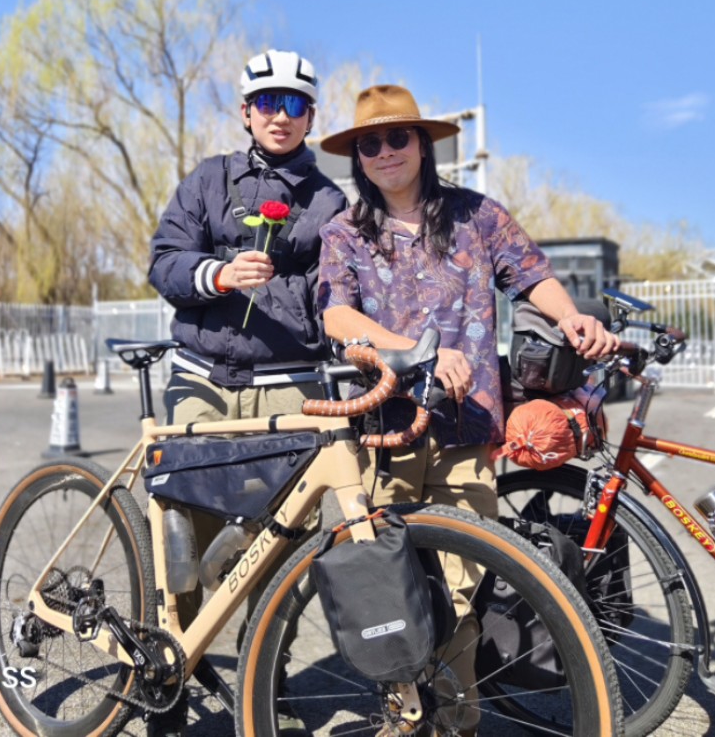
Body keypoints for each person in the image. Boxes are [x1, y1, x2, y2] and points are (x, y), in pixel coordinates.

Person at [316, 83, 619, 734]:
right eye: (370, 143)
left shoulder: (477, 216)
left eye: (399, 137)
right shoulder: (345, 232)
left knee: (457, 597)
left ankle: (454, 724)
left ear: (423, 145)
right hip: (381, 437)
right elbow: (337, 314)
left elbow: (532, 274)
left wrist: (572, 320)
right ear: (358, 158)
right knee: (390, 602)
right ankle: (403, 718)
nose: (385, 151)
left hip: (466, 434)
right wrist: (414, 351)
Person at [147, 49, 346, 736]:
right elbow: (164, 263)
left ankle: (268, 672)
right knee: (183, 535)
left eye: (294, 105)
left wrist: (287, 295)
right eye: (268, 103)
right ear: (245, 112)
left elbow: (334, 297)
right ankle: (167, 666)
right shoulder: (206, 181)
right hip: (202, 381)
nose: (280, 116)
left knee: (277, 545)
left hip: (288, 388)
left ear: (311, 116)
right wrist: (218, 276)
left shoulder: (330, 201)